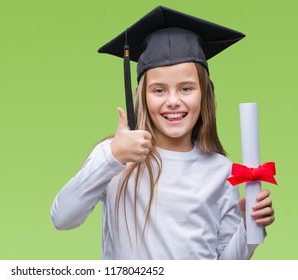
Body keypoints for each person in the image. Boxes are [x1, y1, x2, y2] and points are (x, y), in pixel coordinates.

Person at [51, 6, 275, 259]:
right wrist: (113, 156)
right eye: (159, 90)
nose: (173, 101)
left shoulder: (221, 170)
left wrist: (248, 230)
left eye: (186, 89)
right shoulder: (117, 159)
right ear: (142, 97)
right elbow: (62, 218)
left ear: (204, 94)